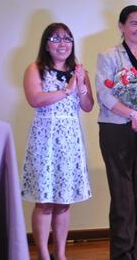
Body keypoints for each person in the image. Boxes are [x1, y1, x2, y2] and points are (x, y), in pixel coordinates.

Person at [21, 22, 94, 260]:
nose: (62, 44)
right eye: (55, 39)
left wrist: (81, 84)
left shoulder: (79, 71)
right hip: (45, 137)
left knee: (63, 200)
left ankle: (60, 253)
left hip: (70, 138)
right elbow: (35, 99)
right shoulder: (35, 69)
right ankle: (43, 253)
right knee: (45, 200)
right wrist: (67, 89)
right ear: (46, 44)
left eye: (67, 39)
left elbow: (87, 106)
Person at [95, 5, 137, 260]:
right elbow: (104, 94)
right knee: (123, 197)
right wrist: (132, 114)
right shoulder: (109, 56)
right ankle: (122, 255)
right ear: (121, 26)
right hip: (116, 130)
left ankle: (135, 253)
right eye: (134, 23)